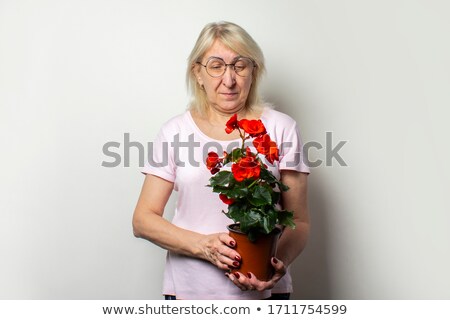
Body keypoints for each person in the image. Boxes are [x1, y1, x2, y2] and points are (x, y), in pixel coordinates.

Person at [133, 21, 310, 300]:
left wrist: (278, 264)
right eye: (216, 66)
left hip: (265, 293)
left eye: (239, 66)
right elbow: (143, 220)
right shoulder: (175, 131)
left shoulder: (281, 128)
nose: (229, 80)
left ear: (254, 71)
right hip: (189, 291)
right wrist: (202, 246)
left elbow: (299, 221)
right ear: (198, 73)